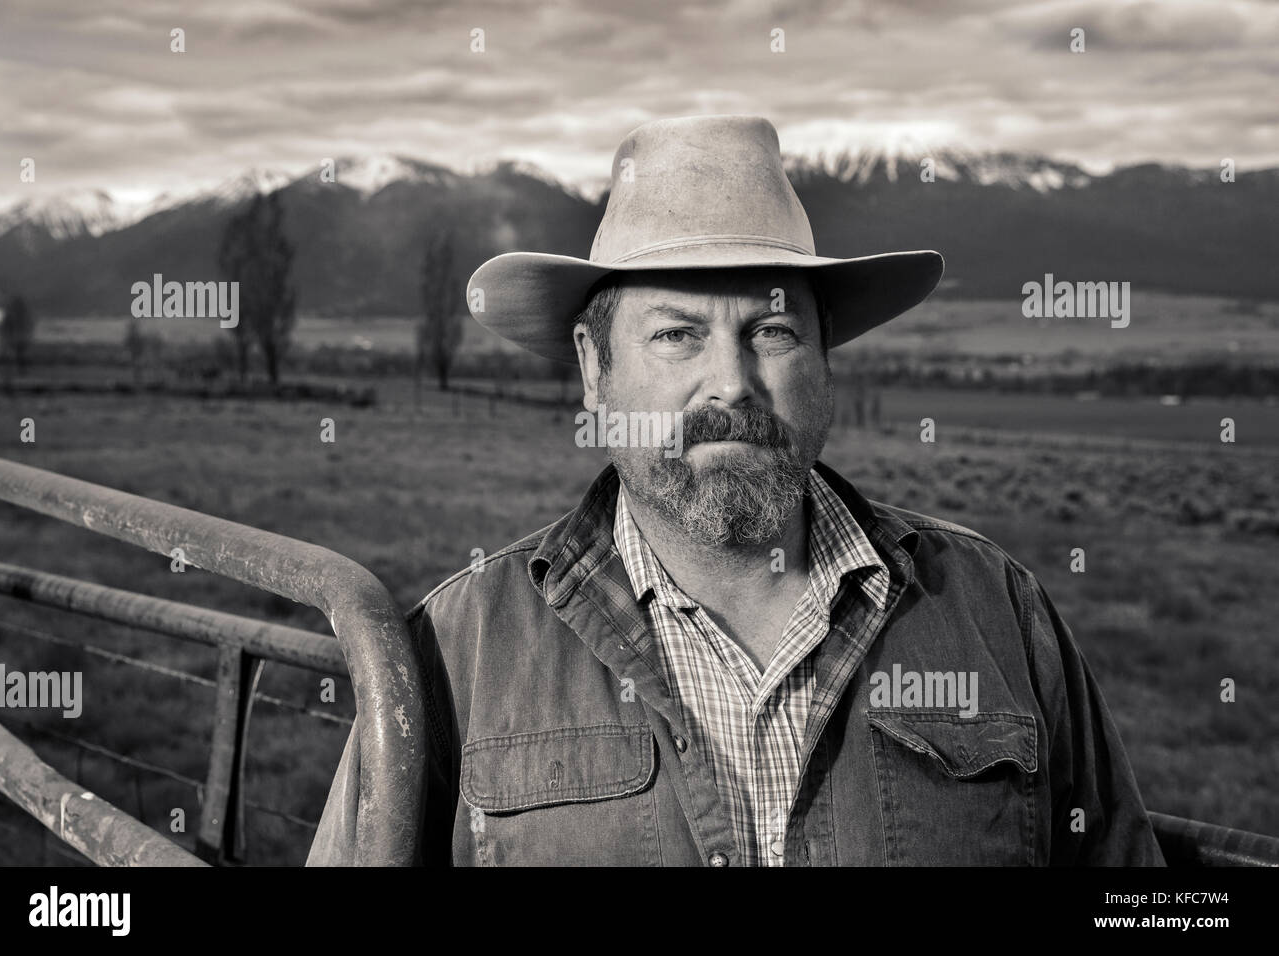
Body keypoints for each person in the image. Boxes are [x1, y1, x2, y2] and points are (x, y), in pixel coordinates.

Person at [308, 114, 1165, 866]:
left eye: (774, 329)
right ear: (593, 370)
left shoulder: (997, 613)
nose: (732, 384)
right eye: (678, 334)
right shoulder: (455, 651)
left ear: (825, 359)